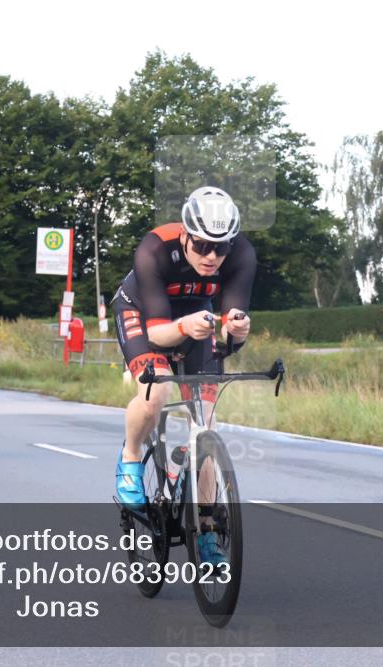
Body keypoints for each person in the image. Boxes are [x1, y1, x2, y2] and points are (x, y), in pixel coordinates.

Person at [110, 186, 255, 565]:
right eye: (203, 246)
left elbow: (228, 332)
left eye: (220, 248)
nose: (212, 257)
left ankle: (206, 534)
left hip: (197, 316)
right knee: (155, 394)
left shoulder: (240, 255)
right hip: (143, 313)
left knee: (206, 423)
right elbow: (158, 335)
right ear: (186, 236)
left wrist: (236, 331)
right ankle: (129, 458)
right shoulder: (155, 248)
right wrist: (185, 327)